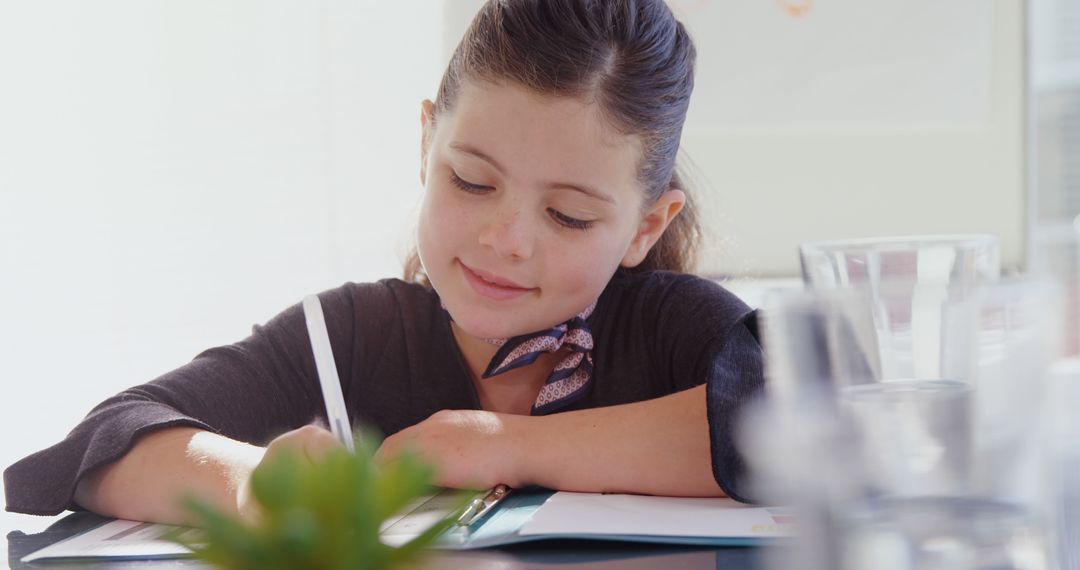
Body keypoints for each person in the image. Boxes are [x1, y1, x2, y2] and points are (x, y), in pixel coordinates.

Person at [4, 0, 763, 526]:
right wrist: (253, 484)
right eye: (471, 180)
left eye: (568, 215)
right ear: (426, 144)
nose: (507, 240)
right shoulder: (351, 334)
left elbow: (806, 416)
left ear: (645, 226)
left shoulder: (673, 326)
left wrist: (497, 445)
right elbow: (108, 440)